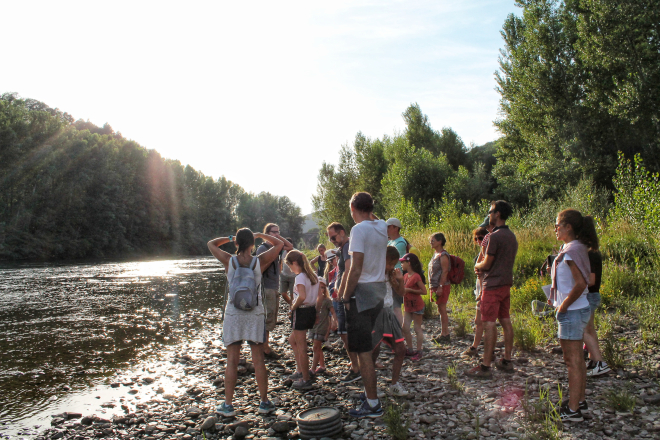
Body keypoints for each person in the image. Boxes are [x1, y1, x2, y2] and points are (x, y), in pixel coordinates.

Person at [207, 229, 283, 417]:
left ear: (237, 243)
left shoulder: (228, 260)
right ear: (252, 244)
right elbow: (280, 244)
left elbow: (210, 244)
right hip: (254, 313)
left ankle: (228, 405)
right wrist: (261, 235)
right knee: (258, 360)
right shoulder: (259, 261)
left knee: (232, 360)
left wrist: (230, 237)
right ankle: (264, 403)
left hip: (233, 313)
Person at [341, 192, 388, 418]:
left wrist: (345, 296)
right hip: (379, 290)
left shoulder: (358, 230)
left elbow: (355, 268)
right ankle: (370, 392)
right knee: (369, 344)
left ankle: (372, 404)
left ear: (353, 208)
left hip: (362, 293)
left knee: (363, 351)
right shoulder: (382, 226)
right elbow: (373, 218)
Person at [550, 209, 598, 422]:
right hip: (579, 309)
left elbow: (581, 283)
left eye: (558, 225)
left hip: (573, 311)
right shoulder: (575, 248)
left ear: (569, 227)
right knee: (578, 360)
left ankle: (572, 410)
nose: (555, 229)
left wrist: (563, 306)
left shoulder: (571, 252)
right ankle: (579, 401)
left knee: (572, 361)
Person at [466, 200, 518, 379]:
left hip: (492, 285)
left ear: (497, 214)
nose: (489, 214)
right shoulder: (512, 236)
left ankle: (486, 365)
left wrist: (477, 264)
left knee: (489, 323)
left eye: (490, 212)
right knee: (505, 320)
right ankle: (507, 360)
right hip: (505, 284)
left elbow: (487, 263)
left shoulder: (494, 237)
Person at [368, 246, 409, 396]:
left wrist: (400, 280)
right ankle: (370, 386)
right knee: (373, 351)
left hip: (389, 312)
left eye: (393, 264)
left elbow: (401, 293)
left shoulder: (391, 274)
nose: (391, 267)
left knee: (401, 349)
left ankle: (394, 385)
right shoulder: (372, 273)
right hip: (375, 314)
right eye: (389, 263)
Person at [326, 222, 360, 383]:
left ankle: (356, 367)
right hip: (343, 295)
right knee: (345, 332)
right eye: (330, 238)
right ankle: (357, 365)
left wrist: (342, 293)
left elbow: (347, 269)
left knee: (345, 332)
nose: (332, 240)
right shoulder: (344, 248)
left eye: (333, 237)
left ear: (342, 232)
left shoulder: (347, 247)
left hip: (344, 296)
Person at [284, 250, 320, 390]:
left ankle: (305, 378)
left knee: (302, 347)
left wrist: (292, 308)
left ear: (294, 263)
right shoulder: (313, 276)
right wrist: (316, 314)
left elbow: (302, 296)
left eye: (289, 266)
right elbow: (317, 297)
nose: (290, 269)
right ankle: (300, 370)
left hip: (302, 311)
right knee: (292, 340)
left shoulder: (300, 277)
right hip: (311, 310)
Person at [256, 224, 293, 359]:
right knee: (267, 317)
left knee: (271, 318)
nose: (277, 234)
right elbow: (260, 267)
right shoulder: (262, 248)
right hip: (266, 287)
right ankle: (264, 348)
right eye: (274, 232)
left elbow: (290, 247)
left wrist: (278, 237)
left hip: (273, 286)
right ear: (267, 234)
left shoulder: (277, 247)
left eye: (279, 232)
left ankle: (265, 346)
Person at [463, 226, 490, 357]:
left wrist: (481, 293)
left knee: (481, 321)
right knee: (479, 321)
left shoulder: (488, 254)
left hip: (485, 288)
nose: (478, 241)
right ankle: (479, 346)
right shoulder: (481, 253)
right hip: (480, 287)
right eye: (476, 238)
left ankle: (477, 347)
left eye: (481, 238)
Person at [584, 247, 610, 377]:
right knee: (589, 329)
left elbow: (591, 280)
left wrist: (572, 281)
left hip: (589, 295)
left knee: (583, 329)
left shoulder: (590, 253)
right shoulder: (592, 251)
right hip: (591, 295)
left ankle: (600, 363)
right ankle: (594, 360)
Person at [399, 253, 427, 361]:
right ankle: (410, 349)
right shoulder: (405, 276)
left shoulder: (416, 276)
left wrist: (410, 290)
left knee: (417, 328)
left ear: (409, 263)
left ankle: (419, 351)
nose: (401, 264)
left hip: (417, 306)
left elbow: (424, 291)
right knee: (405, 327)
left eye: (403, 262)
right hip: (407, 306)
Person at [311, 277, 338, 375]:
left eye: (322, 288)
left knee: (315, 347)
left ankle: (313, 369)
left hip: (322, 327)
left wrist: (334, 322)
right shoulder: (313, 299)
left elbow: (332, 313)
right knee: (318, 348)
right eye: (319, 287)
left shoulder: (327, 300)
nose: (320, 289)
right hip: (314, 327)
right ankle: (322, 366)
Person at [428, 232, 451, 343]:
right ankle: (444, 332)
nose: (431, 242)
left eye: (433, 240)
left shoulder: (443, 255)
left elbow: (445, 271)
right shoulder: (435, 254)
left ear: (440, 241)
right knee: (440, 308)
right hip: (435, 286)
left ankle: (445, 334)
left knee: (442, 309)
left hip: (442, 286)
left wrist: (441, 287)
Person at [386, 218, 407, 325]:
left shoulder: (400, 243)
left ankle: (400, 329)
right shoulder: (391, 241)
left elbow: (393, 260)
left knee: (396, 306)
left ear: (395, 228)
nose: (386, 229)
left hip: (396, 275)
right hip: (391, 275)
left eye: (388, 227)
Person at [279, 237, 296, 308]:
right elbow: (280, 262)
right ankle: (292, 305)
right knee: (283, 293)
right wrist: (280, 272)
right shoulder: (282, 253)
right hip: (284, 275)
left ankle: (292, 309)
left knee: (293, 294)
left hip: (294, 276)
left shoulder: (296, 252)